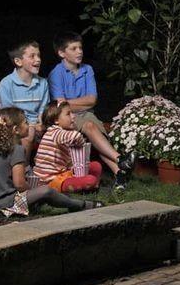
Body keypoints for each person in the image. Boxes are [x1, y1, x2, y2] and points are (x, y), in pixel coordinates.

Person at [0, 107, 101, 219]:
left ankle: (63, 201)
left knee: (41, 193)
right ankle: (80, 204)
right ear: (15, 130)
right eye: (25, 122)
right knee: (46, 191)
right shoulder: (16, 149)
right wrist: (34, 191)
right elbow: (19, 184)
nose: (29, 125)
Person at [48, 31, 132, 190]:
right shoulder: (56, 74)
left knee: (95, 133)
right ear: (61, 53)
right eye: (73, 49)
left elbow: (92, 100)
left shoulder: (88, 70)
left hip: (87, 114)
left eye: (80, 48)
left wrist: (69, 102)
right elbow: (61, 107)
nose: (79, 51)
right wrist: (79, 103)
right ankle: (120, 160)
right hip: (67, 117)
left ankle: (120, 172)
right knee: (90, 127)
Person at [34, 101, 103, 193]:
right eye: (68, 114)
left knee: (96, 166)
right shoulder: (55, 132)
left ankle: (92, 186)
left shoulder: (62, 133)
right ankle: (88, 185)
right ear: (56, 120)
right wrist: (81, 143)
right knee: (90, 180)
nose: (73, 116)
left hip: (64, 173)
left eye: (72, 113)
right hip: (52, 181)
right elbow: (75, 136)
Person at [0, 40, 49, 156]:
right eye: (32, 56)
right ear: (18, 61)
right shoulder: (6, 84)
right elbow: (9, 115)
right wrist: (31, 126)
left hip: (37, 126)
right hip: (15, 126)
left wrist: (41, 123)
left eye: (39, 55)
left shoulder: (43, 83)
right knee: (29, 133)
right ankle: (23, 165)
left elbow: (43, 110)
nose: (38, 59)